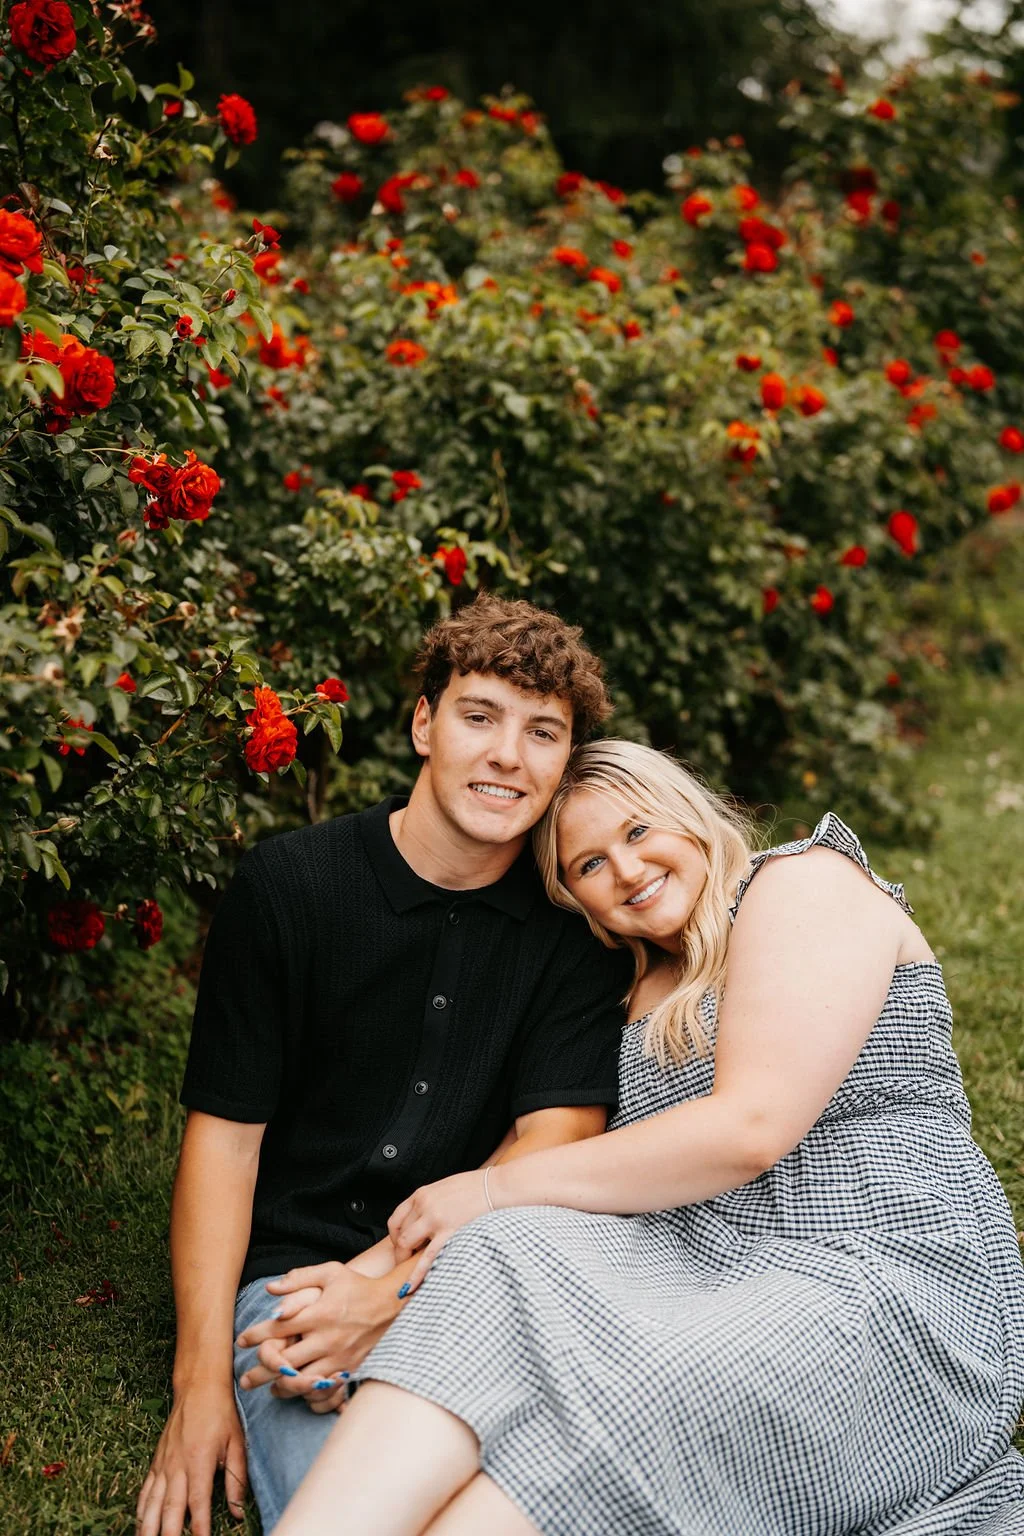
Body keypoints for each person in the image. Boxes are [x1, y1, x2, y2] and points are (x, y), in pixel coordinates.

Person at [259, 739, 1024, 1536]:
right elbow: (566, 1156)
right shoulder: (629, 990)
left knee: (648, 1382)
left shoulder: (801, 884)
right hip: (696, 1264)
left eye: (637, 831)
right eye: (588, 865)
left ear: (690, 818)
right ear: (574, 900)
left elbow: (750, 1129)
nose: (623, 870)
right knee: (499, 1251)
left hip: (876, 1267)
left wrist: (487, 1190)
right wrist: (376, 1276)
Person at [135, 595, 635, 1536]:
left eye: (543, 733)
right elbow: (225, 1145)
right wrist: (199, 1386)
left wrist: (387, 1291)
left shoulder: (576, 930)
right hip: (296, 1284)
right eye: (479, 717)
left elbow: (553, 1142)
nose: (507, 757)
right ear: (423, 723)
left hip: (483, 1270)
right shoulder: (287, 889)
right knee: (346, 1507)